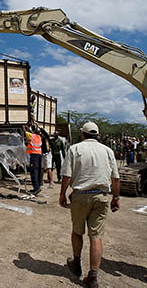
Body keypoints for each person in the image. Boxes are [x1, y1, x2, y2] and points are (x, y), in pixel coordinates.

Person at [59, 121, 120, 288]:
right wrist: (116, 197)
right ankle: (92, 276)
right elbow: (115, 178)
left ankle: (76, 263)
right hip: (101, 197)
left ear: (82, 134)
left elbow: (66, 175)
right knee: (96, 236)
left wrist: (62, 194)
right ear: (98, 135)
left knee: (77, 231)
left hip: (80, 196)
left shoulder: (75, 149)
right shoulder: (107, 151)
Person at [23, 124, 43, 195]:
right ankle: (38, 185)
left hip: (34, 156)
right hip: (39, 155)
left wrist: (24, 127)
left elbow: (25, 132)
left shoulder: (32, 136)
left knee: (33, 171)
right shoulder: (39, 137)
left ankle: (36, 188)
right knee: (38, 171)